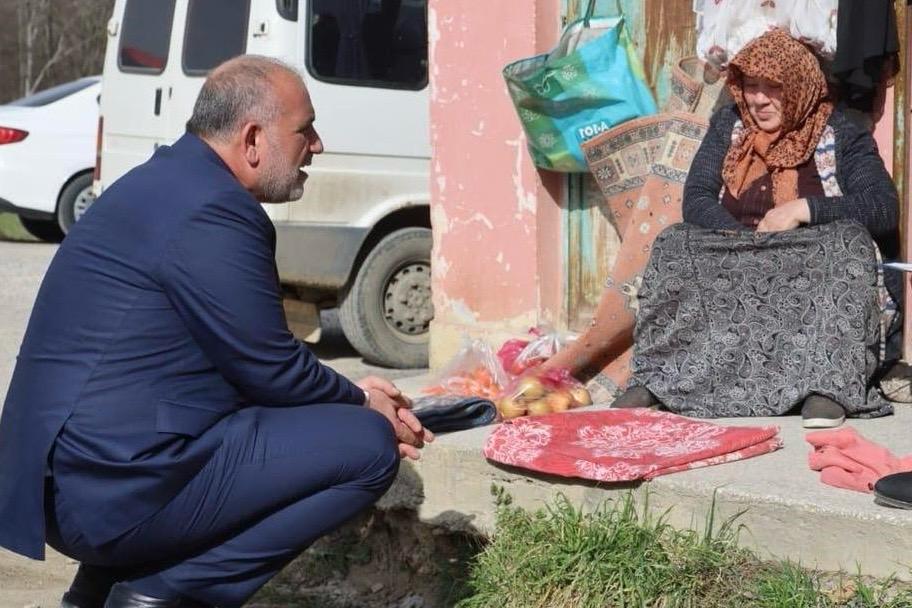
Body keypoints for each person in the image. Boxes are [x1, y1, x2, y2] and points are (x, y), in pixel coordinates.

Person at [0, 55, 433, 608]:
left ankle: (97, 590)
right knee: (367, 446)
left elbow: (245, 368)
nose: (317, 145)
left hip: (70, 480)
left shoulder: (160, 183)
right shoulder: (215, 210)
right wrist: (362, 397)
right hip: (107, 489)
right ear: (253, 139)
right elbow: (271, 367)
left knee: (256, 431)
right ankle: (159, 595)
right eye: (305, 129)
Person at [614, 29, 899, 427]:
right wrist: (742, 244)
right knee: (674, 243)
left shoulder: (841, 132)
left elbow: (882, 208)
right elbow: (696, 197)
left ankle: (828, 386)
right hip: (735, 260)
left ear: (799, 86)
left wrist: (803, 209)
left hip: (806, 268)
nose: (758, 99)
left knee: (847, 242)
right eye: (751, 86)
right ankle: (660, 379)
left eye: (773, 88)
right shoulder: (730, 126)